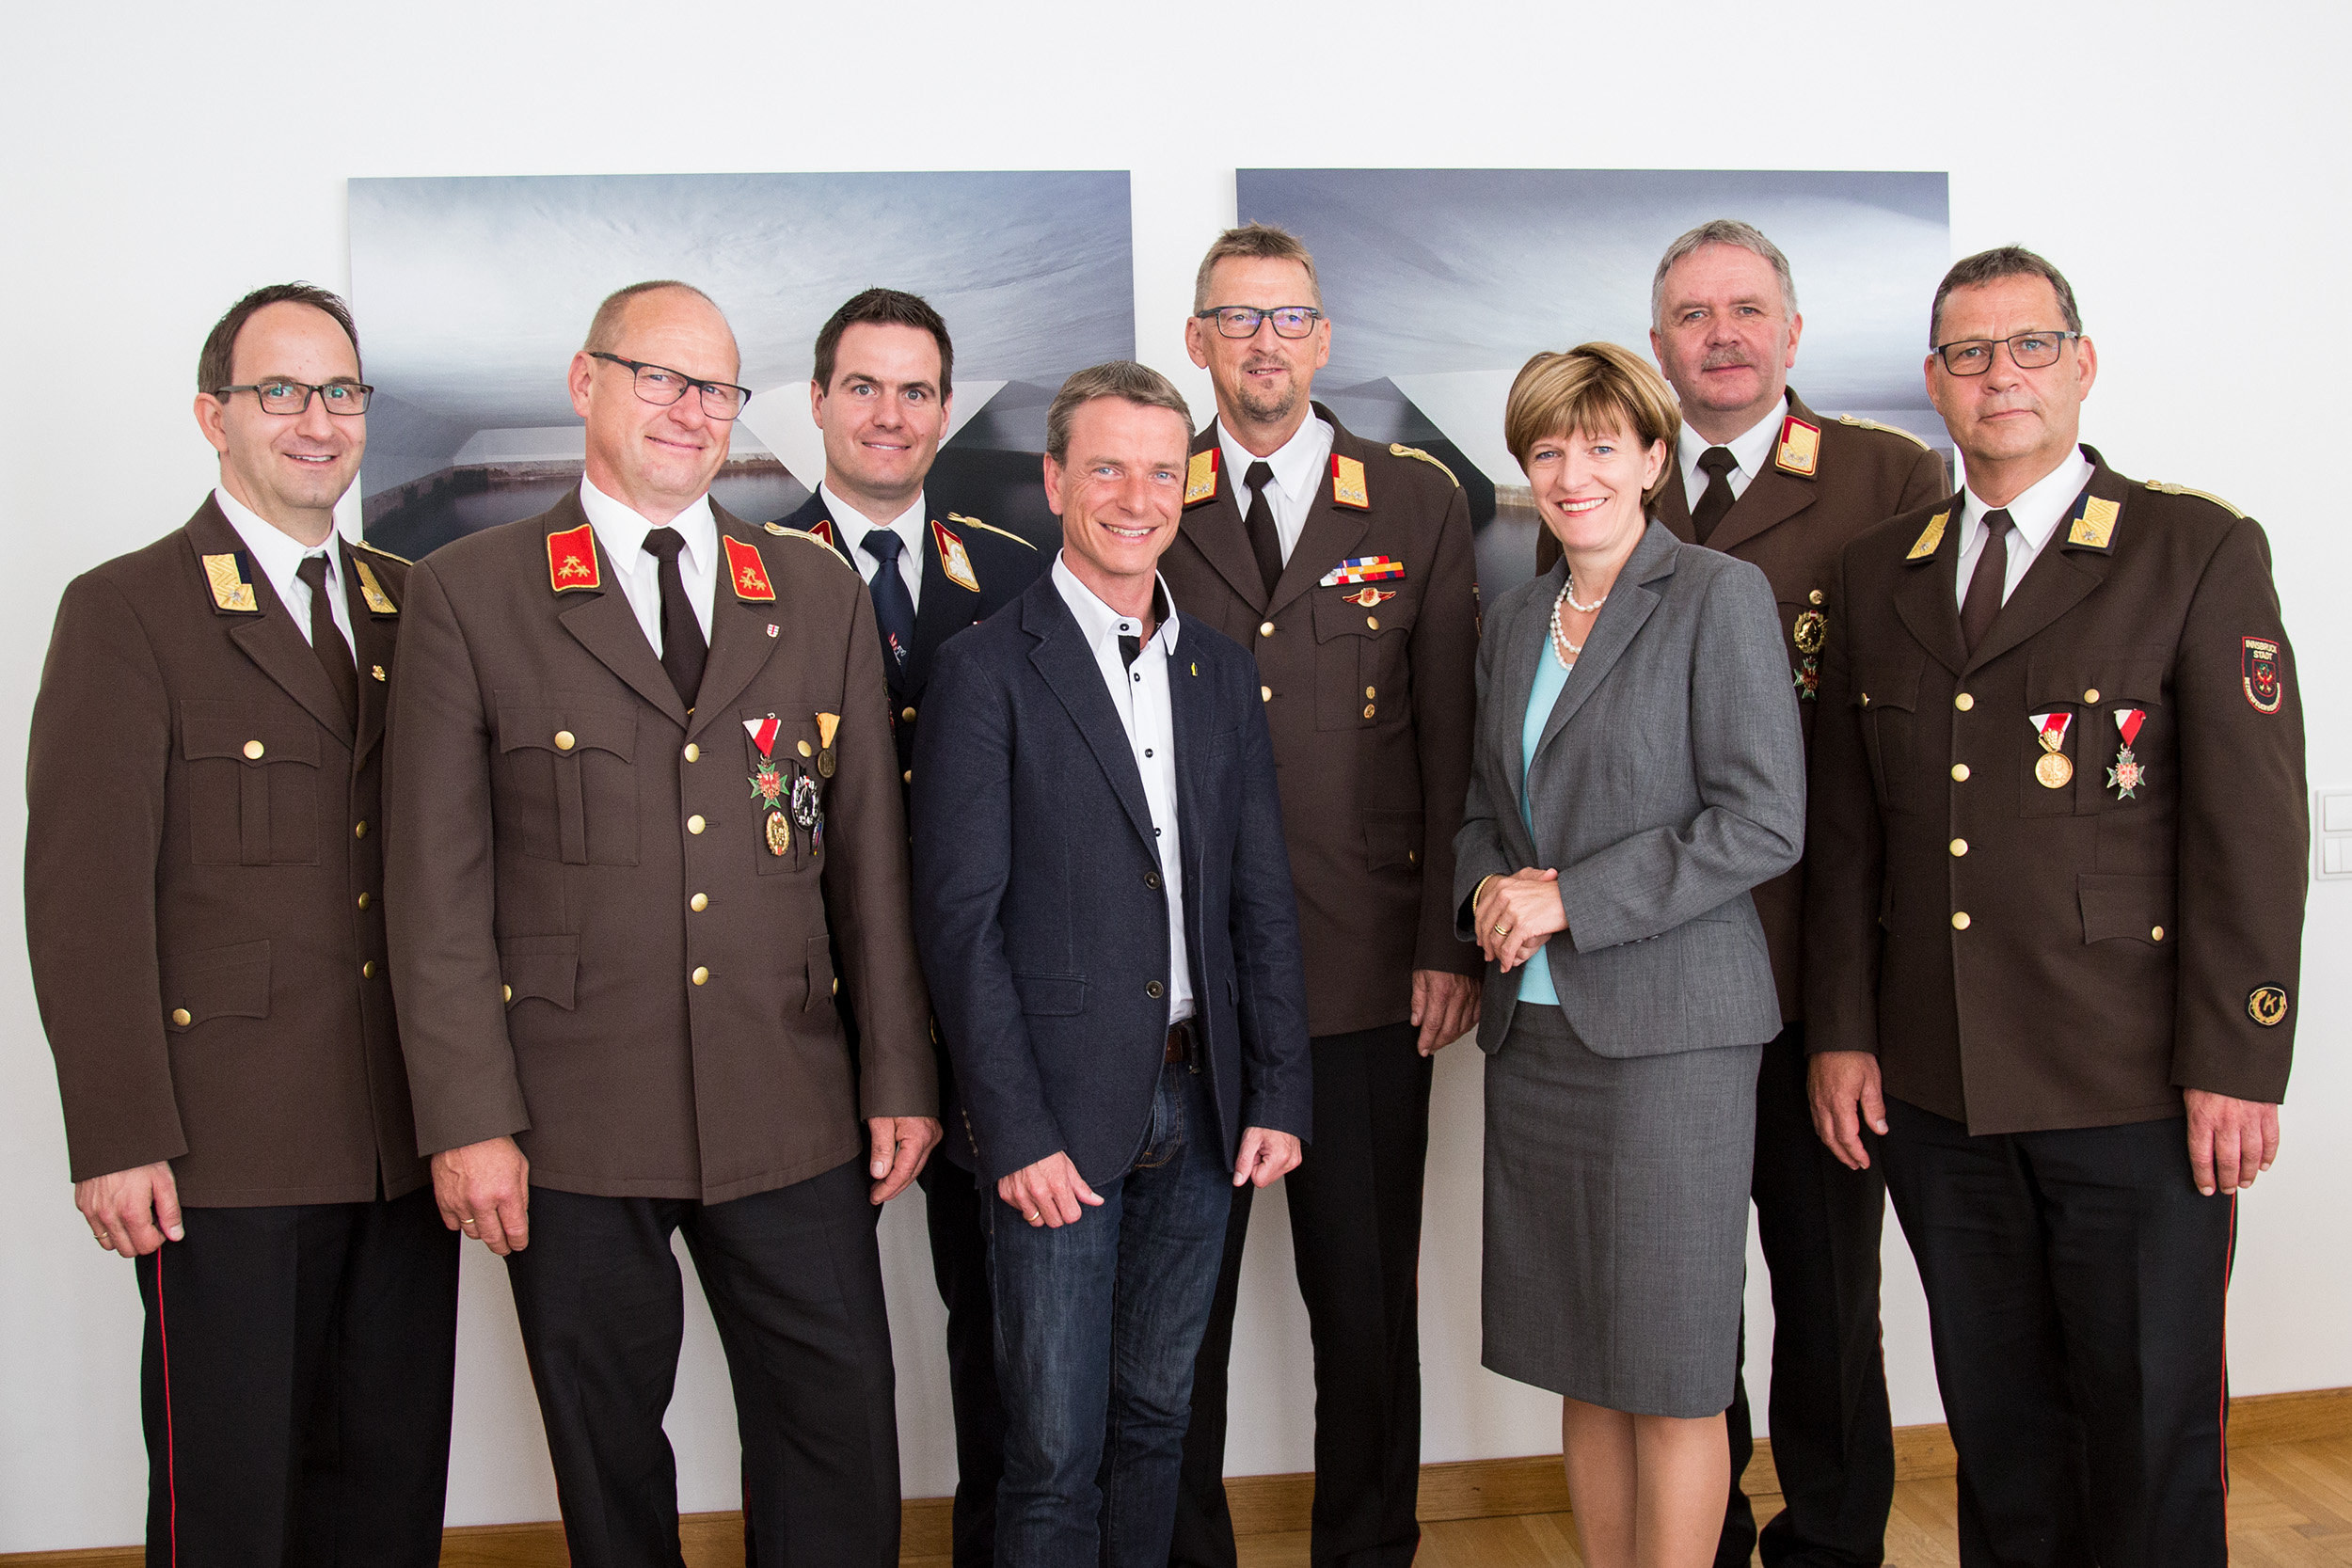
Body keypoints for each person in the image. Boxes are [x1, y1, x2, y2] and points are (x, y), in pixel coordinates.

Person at [383, 279, 940, 1568]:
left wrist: (899, 1070)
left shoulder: (808, 589)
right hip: (576, 1110)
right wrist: (468, 1115)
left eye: (717, 389)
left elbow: (867, 859)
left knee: (837, 1427)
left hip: (787, 1091)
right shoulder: (470, 595)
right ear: (587, 383)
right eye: (660, 379)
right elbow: (437, 886)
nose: (691, 412)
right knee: (608, 1448)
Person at [1805, 246, 2306, 1565]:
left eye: (2030, 345)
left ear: (2082, 365)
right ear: (1935, 384)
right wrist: (1842, 1031)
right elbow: (1850, 832)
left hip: (2132, 1085)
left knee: (2149, 1440)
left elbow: (2250, 832)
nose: (2000, 375)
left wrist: (2238, 1058)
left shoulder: (2190, 548)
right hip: (1937, 1088)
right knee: (2003, 1433)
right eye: (1969, 353)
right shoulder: (1878, 570)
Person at [26, 282, 455, 1566]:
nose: (316, 421)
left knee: (387, 1492)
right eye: (281, 391)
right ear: (215, 415)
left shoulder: (411, 605)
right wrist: (116, 1133)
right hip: (224, 1150)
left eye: (339, 392)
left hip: (402, 1139)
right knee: (229, 1502)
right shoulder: (127, 610)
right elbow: (82, 895)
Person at [912, 360, 1314, 1568]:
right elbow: (959, 926)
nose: (1135, 496)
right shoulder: (985, 671)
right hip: (1055, 1123)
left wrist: (1278, 1089)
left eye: (1158, 468)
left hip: (1202, 1106)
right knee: (1049, 1453)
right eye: (1105, 467)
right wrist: (1013, 1128)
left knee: (1156, 1421)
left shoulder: (1219, 669)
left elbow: (1259, 898)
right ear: (1053, 482)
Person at [1158, 222, 1481, 1568]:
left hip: (1361, 977)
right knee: (1179, 1321)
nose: (1265, 343)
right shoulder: (1142, 493)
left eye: (1288, 318)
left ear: (1325, 338)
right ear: (1198, 341)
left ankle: (1369, 1551)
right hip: (1189, 991)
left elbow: (1453, 735)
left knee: (1364, 1312)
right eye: (1237, 319)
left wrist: (1444, 943)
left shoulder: (1414, 500)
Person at [1456, 342, 1804, 1567]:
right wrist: (1489, 895)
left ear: (1655, 456)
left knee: (1667, 1367)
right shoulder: (1513, 620)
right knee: (1582, 1361)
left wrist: (1570, 898)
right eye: (1548, 447)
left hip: (1673, 1042)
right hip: (1536, 1038)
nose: (1573, 470)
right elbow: (1480, 816)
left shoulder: (1716, 594)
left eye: (1602, 443)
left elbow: (1763, 818)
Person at [1637, 218, 1947, 1566]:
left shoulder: (1889, 477)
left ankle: (1831, 1542)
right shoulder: (1615, 474)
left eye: (1747, 308)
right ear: (1659, 346)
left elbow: (1917, 759)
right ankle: (1702, 1532)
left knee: (1827, 1292)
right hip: (1652, 976)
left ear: (1793, 331)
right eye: (1694, 314)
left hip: (1816, 974)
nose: (1722, 334)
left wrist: (1855, 1006)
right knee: (1682, 1295)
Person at [765, 285, 1051, 1568]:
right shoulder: (739, 574)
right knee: (813, 1356)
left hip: (978, 1016)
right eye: (864, 387)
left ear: (946, 406)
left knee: (1001, 1335)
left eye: (916, 389)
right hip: (799, 1020)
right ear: (816, 401)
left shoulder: (1016, 574)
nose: (890, 414)